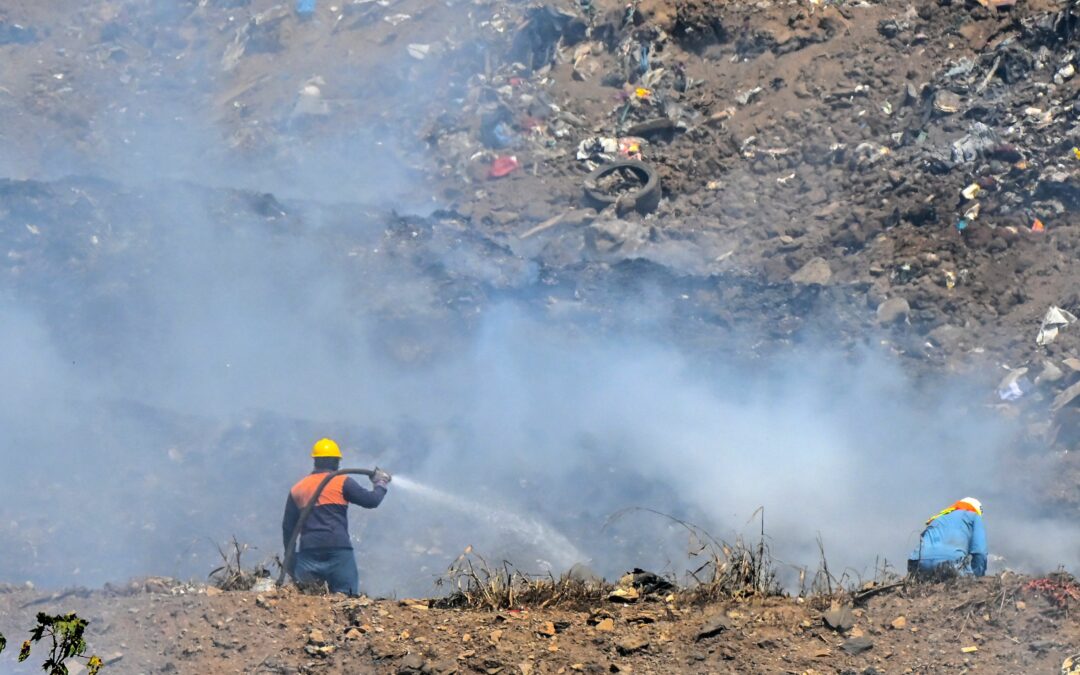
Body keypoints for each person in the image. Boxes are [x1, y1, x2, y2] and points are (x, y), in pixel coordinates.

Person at [282, 438, 390, 595]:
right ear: (336, 461)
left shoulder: (298, 488)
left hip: (308, 553)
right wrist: (381, 483)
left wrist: (290, 558)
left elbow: (288, 527)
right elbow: (371, 501)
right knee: (347, 597)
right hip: (338, 551)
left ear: (315, 461)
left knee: (305, 599)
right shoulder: (342, 481)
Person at [908, 497, 987, 579]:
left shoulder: (938, 518)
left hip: (917, 562)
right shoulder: (974, 516)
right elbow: (980, 551)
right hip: (950, 563)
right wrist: (977, 576)